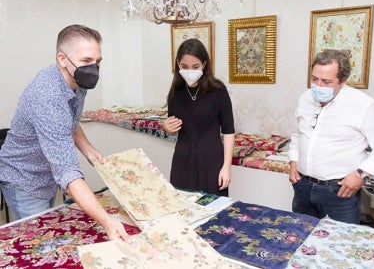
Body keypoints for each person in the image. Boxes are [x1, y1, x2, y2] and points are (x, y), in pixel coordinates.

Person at [0, 24, 130, 241]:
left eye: (98, 62)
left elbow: (70, 122)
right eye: (86, 61)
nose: (94, 68)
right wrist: (107, 221)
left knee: (52, 227)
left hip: (47, 173)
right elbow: (67, 171)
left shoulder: (79, 80)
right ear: (62, 59)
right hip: (24, 178)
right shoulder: (47, 96)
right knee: (40, 241)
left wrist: (88, 149)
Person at [288, 49, 374, 224]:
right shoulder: (305, 98)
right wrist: (293, 160)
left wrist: (361, 175)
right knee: (300, 235)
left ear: (343, 81)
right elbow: (298, 133)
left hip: (339, 190)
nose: (318, 86)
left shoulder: (363, 105)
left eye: (326, 82)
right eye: (314, 79)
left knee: (338, 244)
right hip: (303, 186)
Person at [162, 38, 235, 196]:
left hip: (212, 160)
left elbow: (228, 131)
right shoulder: (176, 92)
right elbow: (173, 128)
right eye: (184, 66)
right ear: (177, 64)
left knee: (214, 209)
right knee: (182, 208)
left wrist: (226, 167)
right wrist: (166, 127)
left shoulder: (218, 91)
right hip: (183, 159)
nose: (190, 71)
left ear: (204, 64)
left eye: (195, 67)